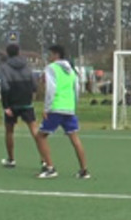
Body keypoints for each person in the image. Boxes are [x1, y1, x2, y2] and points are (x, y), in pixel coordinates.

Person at [34, 45, 90, 179]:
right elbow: (76, 88)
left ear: (56, 54)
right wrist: (73, 106)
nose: (49, 57)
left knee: (40, 136)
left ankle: (50, 168)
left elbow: (51, 89)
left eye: (50, 54)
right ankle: (84, 170)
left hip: (56, 107)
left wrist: (46, 108)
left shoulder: (51, 68)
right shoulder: (71, 70)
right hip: (69, 108)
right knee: (75, 138)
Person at [0, 43, 39, 168]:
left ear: (7, 53)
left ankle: (11, 159)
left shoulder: (4, 67)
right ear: (19, 52)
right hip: (27, 102)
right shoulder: (27, 66)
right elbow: (34, 85)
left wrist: (6, 106)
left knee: (9, 131)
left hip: (12, 103)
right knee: (34, 130)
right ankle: (44, 159)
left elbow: (4, 87)